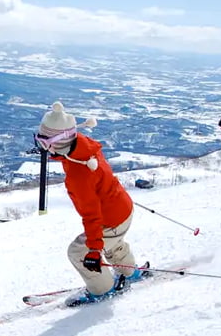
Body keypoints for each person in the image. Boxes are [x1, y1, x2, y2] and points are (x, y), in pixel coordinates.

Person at [35, 102, 143, 306]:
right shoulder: (82, 145)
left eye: (43, 140)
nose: (40, 145)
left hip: (110, 218)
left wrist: (93, 251)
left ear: (57, 142)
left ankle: (103, 290)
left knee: (78, 252)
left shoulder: (79, 174)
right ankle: (130, 273)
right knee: (114, 242)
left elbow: (92, 216)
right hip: (121, 208)